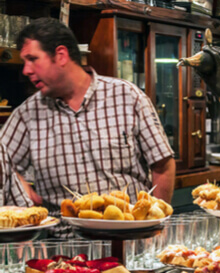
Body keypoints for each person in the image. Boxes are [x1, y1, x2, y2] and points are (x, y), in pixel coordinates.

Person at [0, 18, 175, 213]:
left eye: (32, 59)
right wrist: (18, 182)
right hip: (65, 239)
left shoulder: (127, 97)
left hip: (129, 235)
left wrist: (156, 225)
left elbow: (163, 166)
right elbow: (1, 161)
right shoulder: (27, 114)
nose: (26, 70)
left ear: (61, 55)